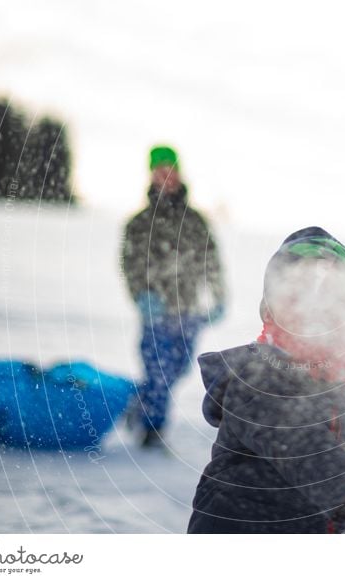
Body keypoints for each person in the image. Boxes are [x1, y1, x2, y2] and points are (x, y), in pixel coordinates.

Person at [187, 227, 345, 533]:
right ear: (270, 308)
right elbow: (312, 456)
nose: (316, 310)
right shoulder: (257, 378)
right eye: (296, 296)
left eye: (335, 298)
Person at [120, 145, 226, 448]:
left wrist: (218, 297)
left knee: (178, 369)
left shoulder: (195, 221)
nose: (166, 176)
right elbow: (130, 265)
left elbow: (212, 262)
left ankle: (137, 402)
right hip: (156, 311)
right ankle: (153, 431)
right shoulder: (139, 223)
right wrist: (142, 295)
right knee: (159, 370)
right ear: (152, 174)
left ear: (179, 173)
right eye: (160, 170)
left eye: (171, 169)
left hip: (189, 310)